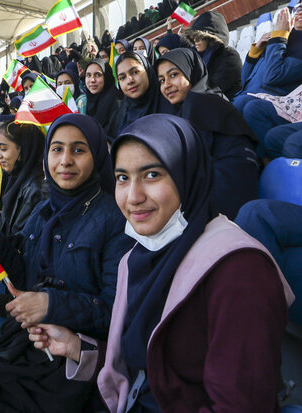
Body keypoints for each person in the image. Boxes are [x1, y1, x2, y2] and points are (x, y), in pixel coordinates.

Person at [27, 114, 294, 413]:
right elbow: (148, 372)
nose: (133, 197)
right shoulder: (139, 257)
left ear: (187, 174)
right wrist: (77, 348)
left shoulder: (239, 272)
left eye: (152, 174)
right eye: (123, 178)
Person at [0, 114, 133, 411]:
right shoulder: (44, 211)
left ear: (96, 156)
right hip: (30, 341)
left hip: (73, 362)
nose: (65, 160)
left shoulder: (113, 221)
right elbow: (26, 279)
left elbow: (114, 312)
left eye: (78, 150)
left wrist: (50, 304)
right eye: (57, 149)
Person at [155, 48, 259, 218]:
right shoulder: (192, 105)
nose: (166, 84)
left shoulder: (200, 103)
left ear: (191, 71)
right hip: (215, 180)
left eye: (173, 75)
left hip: (230, 182)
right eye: (161, 80)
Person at [233, 5, 302, 113]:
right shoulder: (281, 37)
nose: (300, 13)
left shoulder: (280, 37)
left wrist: (279, 37)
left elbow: (273, 76)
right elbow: (245, 80)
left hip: (267, 106)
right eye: (299, 9)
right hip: (245, 98)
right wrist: (256, 51)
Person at [109, 52, 174, 139]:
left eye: (135, 72)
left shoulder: (170, 105)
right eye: (122, 77)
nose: (129, 81)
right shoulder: (122, 114)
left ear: (147, 70)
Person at [184, 11, 242, 100]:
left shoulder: (230, 56)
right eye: (194, 36)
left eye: (200, 36)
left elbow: (215, 89)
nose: (195, 40)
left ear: (211, 37)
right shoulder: (197, 59)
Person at [79, 59, 124, 137]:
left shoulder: (118, 102)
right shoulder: (84, 102)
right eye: (88, 75)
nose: (92, 80)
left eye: (97, 75)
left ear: (107, 76)